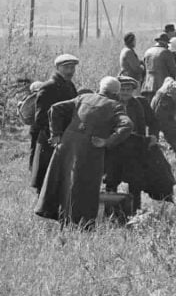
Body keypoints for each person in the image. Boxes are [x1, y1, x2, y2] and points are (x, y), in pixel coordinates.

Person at [35, 77, 133, 227]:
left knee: (62, 181)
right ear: (116, 93)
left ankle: (60, 218)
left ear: (100, 88)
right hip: (90, 150)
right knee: (85, 187)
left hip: (66, 146)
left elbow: (55, 108)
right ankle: (82, 224)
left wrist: (56, 134)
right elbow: (127, 125)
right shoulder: (115, 106)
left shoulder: (83, 97)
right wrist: (108, 141)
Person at [104, 76, 158, 213]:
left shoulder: (139, 104)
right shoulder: (110, 103)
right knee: (111, 181)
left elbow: (150, 123)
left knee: (135, 182)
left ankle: (135, 212)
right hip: (114, 148)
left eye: (129, 89)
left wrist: (151, 138)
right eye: (122, 89)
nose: (125, 92)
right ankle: (110, 212)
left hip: (134, 148)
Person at [29, 54, 79, 191]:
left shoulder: (70, 85)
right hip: (49, 139)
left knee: (60, 180)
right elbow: (40, 118)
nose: (70, 71)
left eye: (72, 67)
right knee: (45, 180)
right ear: (57, 68)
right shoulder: (48, 87)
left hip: (65, 138)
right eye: (66, 67)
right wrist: (56, 132)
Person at [141, 33, 176, 99]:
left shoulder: (147, 51)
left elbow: (144, 69)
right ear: (165, 43)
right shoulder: (166, 52)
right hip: (161, 86)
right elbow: (173, 70)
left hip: (147, 85)